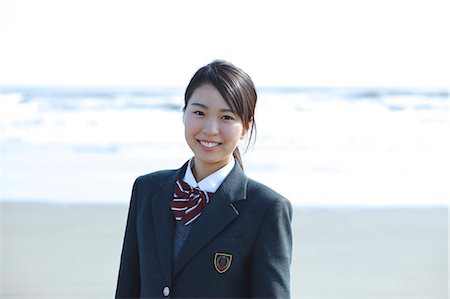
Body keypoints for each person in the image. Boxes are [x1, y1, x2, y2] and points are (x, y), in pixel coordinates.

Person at [115, 60, 293, 298]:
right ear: (184, 113)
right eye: (199, 112)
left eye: (227, 117)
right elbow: (128, 288)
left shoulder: (266, 209)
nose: (210, 129)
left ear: (246, 125)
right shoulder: (147, 190)